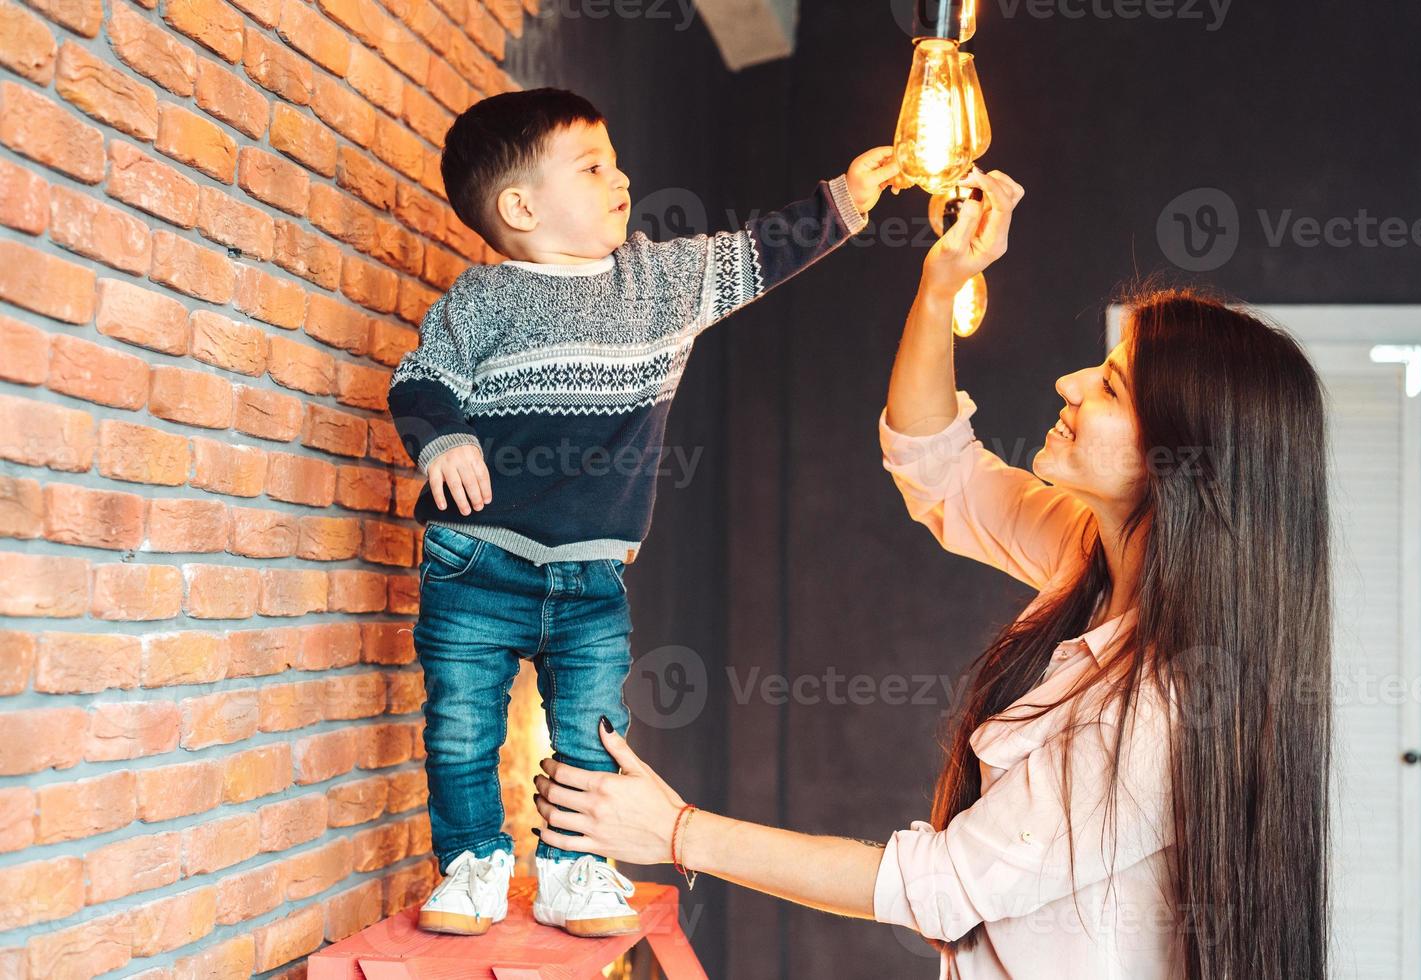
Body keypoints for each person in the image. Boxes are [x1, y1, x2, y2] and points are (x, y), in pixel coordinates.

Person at [530, 168, 1334, 979]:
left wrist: (675, 831)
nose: (1070, 384)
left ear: (1181, 461)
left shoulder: (1168, 704)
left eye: (1110, 386)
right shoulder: (1089, 551)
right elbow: (934, 460)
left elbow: (941, 887)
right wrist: (943, 277)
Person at [386, 86, 901, 938]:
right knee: (460, 726)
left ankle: (573, 867)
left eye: (615, 158)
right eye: (591, 166)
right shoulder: (479, 303)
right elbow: (420, 381)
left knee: (592, 731)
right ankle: (473, 863)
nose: (620, 176)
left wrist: (843, 200)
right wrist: (442, 442)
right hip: (475, 562)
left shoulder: (660, 281)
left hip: (590, 574)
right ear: (520, 205)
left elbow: (756, 253)